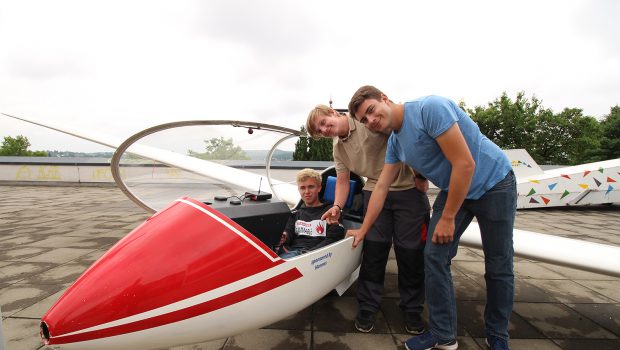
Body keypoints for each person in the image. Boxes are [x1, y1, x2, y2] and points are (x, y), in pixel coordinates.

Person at [347, 86, 516, 350]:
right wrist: (363, 229)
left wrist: (448, 217)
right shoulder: (395, 143)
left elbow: (465, 164)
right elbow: (381, 187)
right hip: (457, 188)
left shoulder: (429, 109)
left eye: (371, 111)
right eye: (364, 121)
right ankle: (443, 334)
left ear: (384, 99)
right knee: (434, 256)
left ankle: (497, 333)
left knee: (498, 264)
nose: (371, 121)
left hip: (495, 184)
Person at [306, 105, 431, 334]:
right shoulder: (338, 148)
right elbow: (343, 181)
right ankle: (367, 307)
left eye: (323, 122)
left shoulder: (367, 120)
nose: (324, 129)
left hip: (408, 191)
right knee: (373, 252)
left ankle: (412, 309)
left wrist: (420, 174)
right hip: (374, 193)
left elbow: (407, 138)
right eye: (319, 130)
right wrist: (336, 206)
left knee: (411, 254)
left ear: (333, 112)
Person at [277, 168, 345, 259]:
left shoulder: (331, 211)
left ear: (319, 188)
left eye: (311, 187)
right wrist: (284, 237)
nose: (307, 192)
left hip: (317, 258)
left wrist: (308, 254)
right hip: (292, 254)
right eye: (302, 188)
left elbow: (333, 239)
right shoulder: (296, 213)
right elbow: (288, 232)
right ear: (299, 190)